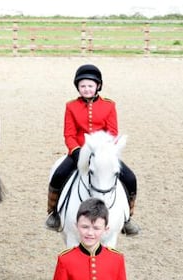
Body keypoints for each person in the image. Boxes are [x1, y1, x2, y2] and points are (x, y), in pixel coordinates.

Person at [46, 64, 140, 235]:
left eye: (90, 85)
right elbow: (69, 133)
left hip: (103, 153)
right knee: (58, 175)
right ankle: (54, 213)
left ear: (98, 86)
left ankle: (127, 219)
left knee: (131, 178)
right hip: (79, 152)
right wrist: (75, 151)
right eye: (82, 86)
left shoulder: (109, 106)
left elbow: (112, 132)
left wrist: (106, 152)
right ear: (78, 87)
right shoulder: (71, 106)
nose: (86, 89)